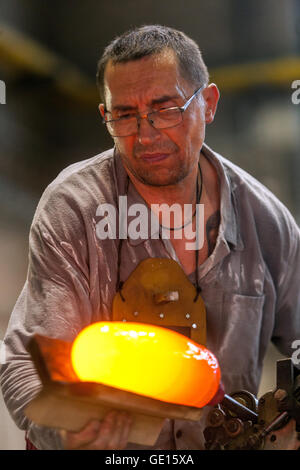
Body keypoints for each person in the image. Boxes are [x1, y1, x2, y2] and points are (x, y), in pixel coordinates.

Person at [1, 24, 300, 451]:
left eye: (167, 108)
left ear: (209, 104)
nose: (145, 134)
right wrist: (65, 433)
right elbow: (25, 361)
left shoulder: (265, 222)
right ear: (105, 116)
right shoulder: (76, 209)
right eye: (124, 115)